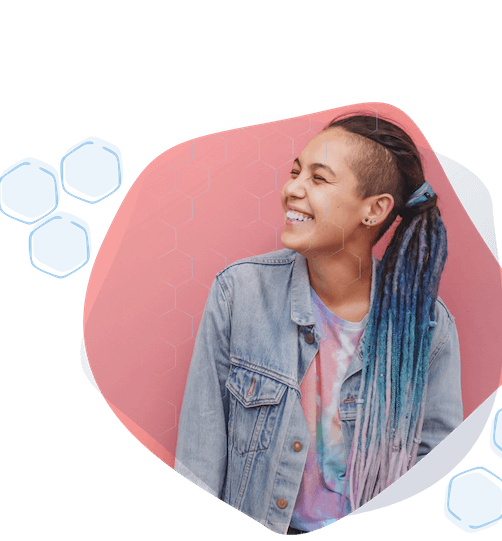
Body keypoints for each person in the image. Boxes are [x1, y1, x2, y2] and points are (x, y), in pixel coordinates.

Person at [174, 113, 463, 535]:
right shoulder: (239, 293)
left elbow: (436, 462)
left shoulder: (428, 328)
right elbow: (199, 455)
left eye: (319, 178)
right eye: (295, 172)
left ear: (375, 209)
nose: (292, 189)